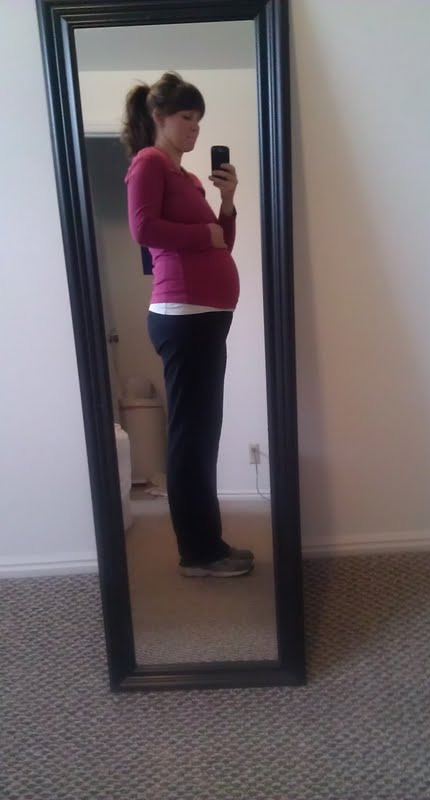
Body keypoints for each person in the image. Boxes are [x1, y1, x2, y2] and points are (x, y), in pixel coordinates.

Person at [122, 72, 254, 577]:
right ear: (159, 116)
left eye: (199, 119)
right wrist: (205, 235)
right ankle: (198, 554)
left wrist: (227, 202)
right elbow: (142, 228)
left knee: (202, 435)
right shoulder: (149, 163)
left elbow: (222, 242)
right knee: (191, 439)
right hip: (183, 317)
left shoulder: (191, 179)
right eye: (186, 117)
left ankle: (209, 543)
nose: (195, 127)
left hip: (206, 318)